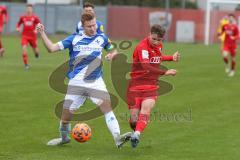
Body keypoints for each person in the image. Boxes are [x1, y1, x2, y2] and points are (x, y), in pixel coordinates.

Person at [36, 12, 131, 148]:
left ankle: (118, 138)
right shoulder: (74, 39)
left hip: (95, 82)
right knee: (65, 119)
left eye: (94, 25)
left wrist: (112, 55)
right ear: (83, 26)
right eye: (89, 26)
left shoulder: (102, 38)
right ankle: (64, 139)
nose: (93, 29)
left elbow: (113, 50)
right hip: (76, 84)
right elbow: (51, 48)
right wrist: (42, 33)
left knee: (107, 108)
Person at [126, 24, 180, 148]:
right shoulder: (142, 48)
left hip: (151, 86)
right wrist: (164, 72)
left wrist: (172, 57)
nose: (156, 42)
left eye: (159, 40)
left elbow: (157, 58)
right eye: (154, 39)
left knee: (146, 110)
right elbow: (146, 66)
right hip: (135, 86)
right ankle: (135, 131)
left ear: (162, 39)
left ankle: (137, 134)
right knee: (134, 120)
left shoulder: (159, 46)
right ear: (149, 34)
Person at [16, 4, 41, 69]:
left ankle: (37, 54)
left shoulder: (35, 17)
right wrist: (18, 28)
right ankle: (26, 65)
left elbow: (39, 24)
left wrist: (36, 30)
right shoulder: (23, 17)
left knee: (36, 51)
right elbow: (18, 24)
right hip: (25, 36)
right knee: (24, 49)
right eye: (28, 8)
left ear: (32, 10)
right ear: (26, 9)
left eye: (30, 9)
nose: (29, 10)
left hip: (33, 37)